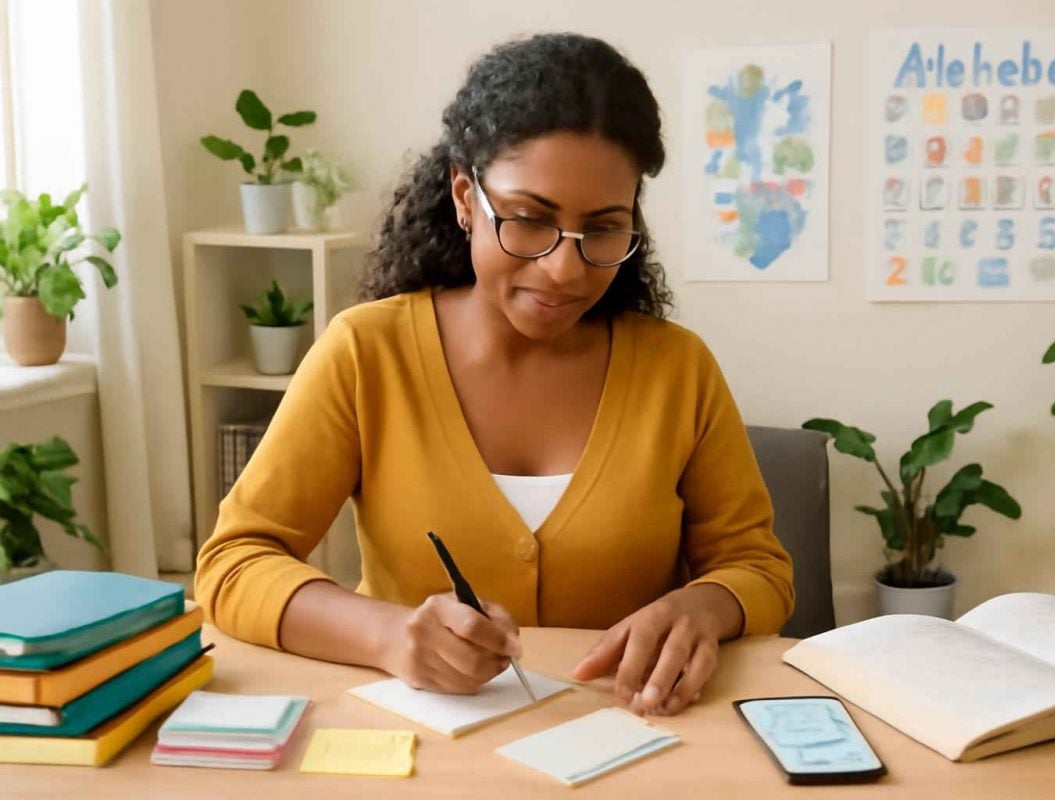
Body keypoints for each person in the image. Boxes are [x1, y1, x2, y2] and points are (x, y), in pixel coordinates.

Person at [196, 32, 794, 718]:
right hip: (418, 747)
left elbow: (758, 567)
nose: (564, 269)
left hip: (631, 738)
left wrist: (704, 607)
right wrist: (389, 635)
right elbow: (235, 562)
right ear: (464, 196)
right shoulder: (366, 354)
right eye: (530, 219)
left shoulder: (677, 370)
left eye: (603, 228)